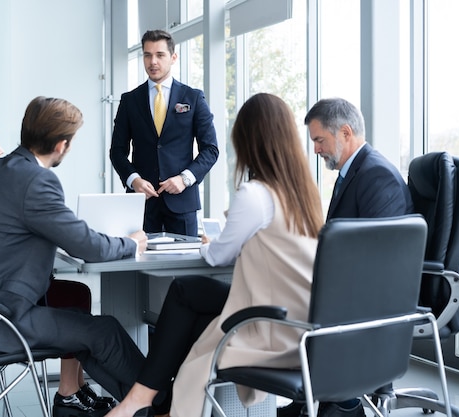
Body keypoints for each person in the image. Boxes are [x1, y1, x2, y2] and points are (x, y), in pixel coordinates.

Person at [0, 96, 148, 417]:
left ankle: (140, 409)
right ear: (61, 145)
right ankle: (168, 405)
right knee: (105, 331)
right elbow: (87, 247)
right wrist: (131, 244)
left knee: (88, 331)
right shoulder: (36, 180)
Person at [106, 92, 325, 417]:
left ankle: (144, 399)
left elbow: (218, 256)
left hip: (272, 324)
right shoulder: (305, 193)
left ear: (249, 141)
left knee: (184, 293)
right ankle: (150, 401)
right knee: (194, 312)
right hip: (305, 323)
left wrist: (210, 243)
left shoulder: (256, 194)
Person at [295, 97, 413, 417]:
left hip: (370, 298)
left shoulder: (376, 176)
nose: (316, 150)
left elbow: (381, 255)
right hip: (349, 286)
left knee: (290, 304)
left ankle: (339, 401)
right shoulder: (354, 172)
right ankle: (309, 399)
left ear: (345, 133)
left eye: (319, 140)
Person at [110, 29, 219, 236]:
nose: (153, 62)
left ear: (173, 57)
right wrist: (134, 180)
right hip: (142, 203)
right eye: (147, 55)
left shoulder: (193, 98)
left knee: (184, 266)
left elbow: (210, 150)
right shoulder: (129, 101)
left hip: (182, 200)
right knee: (138, 265)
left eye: (160, 55)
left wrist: (184, 179)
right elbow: (116, 151)